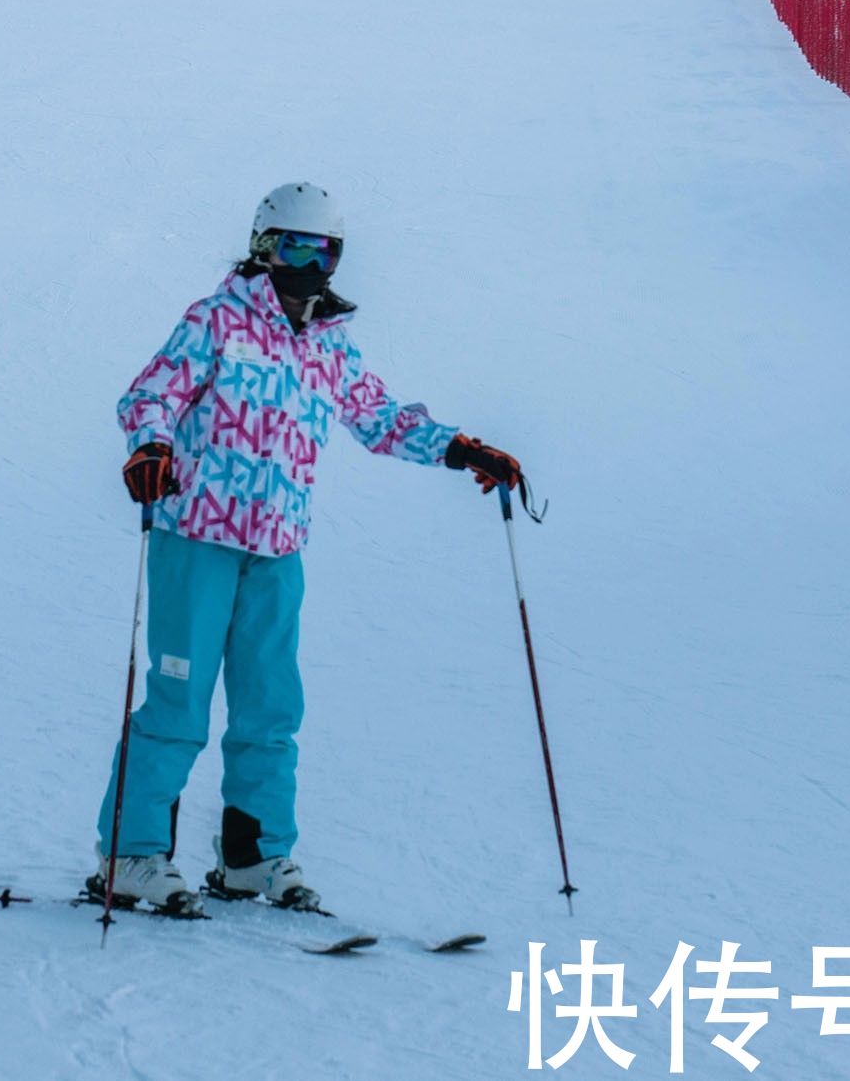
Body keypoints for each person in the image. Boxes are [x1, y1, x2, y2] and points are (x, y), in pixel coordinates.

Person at [87, 184, 525, 916]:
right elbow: (150, 395)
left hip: (277, 547)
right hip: (196, 537)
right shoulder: (216, 321)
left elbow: (376, 416)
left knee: (269, 708)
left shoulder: (328, 340)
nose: (309, 263)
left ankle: (253, 859)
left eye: (324, 251)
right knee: (178, 703)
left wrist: (457, 449)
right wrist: (150, 446)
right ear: (262, 246)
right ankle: (129, 859)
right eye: (293, 246)